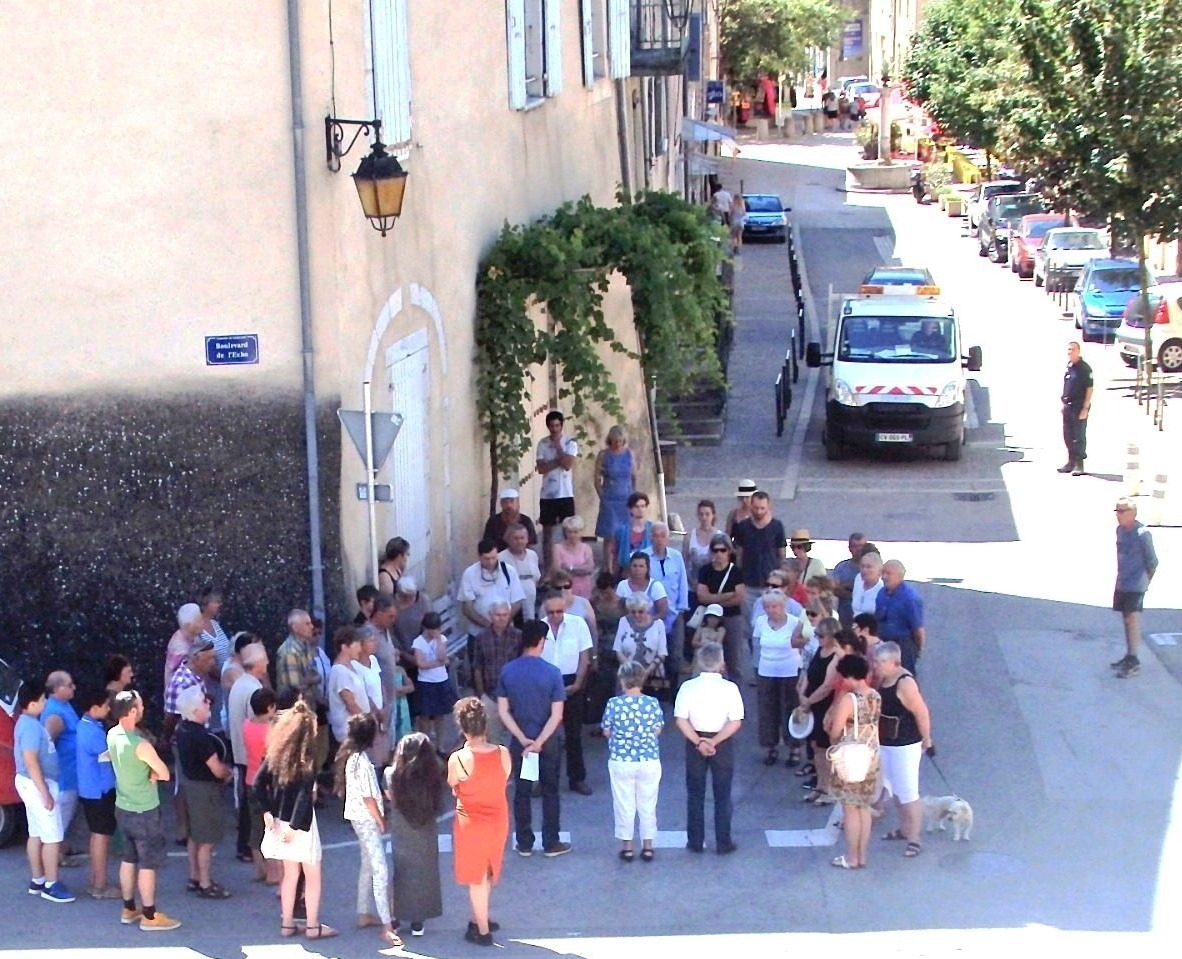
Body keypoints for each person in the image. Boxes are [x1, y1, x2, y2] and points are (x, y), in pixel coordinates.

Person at [255, 700, 335, 940]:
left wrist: (267, 812)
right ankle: (312, 926)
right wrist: (295, 826)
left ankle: (287, 924)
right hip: (300, 825)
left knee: (289, 875)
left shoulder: (276, 755)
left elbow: (258, 784)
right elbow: (304, 797)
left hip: (278, 821)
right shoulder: (306, 759)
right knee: (312, 875)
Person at [107, 689, 181, 930]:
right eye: (139, 706)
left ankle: (128, 909)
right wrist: (152, 772)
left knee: (128, 859)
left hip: (123, 807)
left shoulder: (112, 734)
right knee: (147, 864)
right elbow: (165, 773)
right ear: (132, 711)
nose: (143, 709)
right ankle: (150, 916)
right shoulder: (141, 745)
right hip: (145, 811)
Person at [496, 620, 570, 857]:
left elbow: (503, 710)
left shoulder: (508, 670)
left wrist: (523, 738)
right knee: (550, 790)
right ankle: (551, 841)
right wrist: (539, 741)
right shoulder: (552, 672)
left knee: (523, 791)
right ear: (541, 641)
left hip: (522, 742)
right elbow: (557, 714)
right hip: (547, 742)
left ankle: (525, 842)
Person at [448, 698, 512, 947]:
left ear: (463, 728)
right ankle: (480, 917)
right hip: (498, 818)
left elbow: (453, 784)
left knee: (475, 876)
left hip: (471, 821)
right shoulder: (503, 753)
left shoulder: (458, 759)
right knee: (486, 871)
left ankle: (482, 931)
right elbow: (502, 779)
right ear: (485, 725)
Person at [334, 714, 401, 947]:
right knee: (380, 869)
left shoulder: (352, 757)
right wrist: (381, 821)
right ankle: (386, 925)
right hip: (366, 819)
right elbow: (369, 797)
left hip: (356, 817)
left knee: (367, 866)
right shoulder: (362, 761)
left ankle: (363, 912)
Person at [674, 643, 744, 854]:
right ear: (721, 663)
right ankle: (723, 842)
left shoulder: (688, 687)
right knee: (722, 793)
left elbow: (681, 719)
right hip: (721, 742)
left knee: (695, 793)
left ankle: (695, 841)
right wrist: (714, 741)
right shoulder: (730, 688)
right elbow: (735, 721)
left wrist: (698, 741)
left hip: (695, 740)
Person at [15, 679, 75, 904]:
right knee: (52, 836)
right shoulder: (31, 727)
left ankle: (37, 879)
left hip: (29, 783)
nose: (44, 703)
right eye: (41, 700)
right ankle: (51, 884)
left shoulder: (25, 722)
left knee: (36, 833)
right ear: (31, 704)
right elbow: (31, 760)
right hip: (38, 784)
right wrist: (45, 792)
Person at [874, 642, 933, 858]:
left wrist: (927, 738)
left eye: (880, 662)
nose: (876, 666)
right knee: (896, 790)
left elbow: (921, 712)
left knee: (908, 792)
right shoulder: (884, 678)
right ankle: (903, 828)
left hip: (905, 744)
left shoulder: (905, 683)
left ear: (894, 662)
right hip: (886, 741)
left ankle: (914, 839)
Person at [174, 685, 233, 899]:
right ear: (193, 710)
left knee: (194, 836)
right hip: (205, 790)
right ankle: (206, 883)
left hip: (190, 786)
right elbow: (217, 769)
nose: (207, 703)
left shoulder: (182, 730)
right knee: (207, 839)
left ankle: (194, 877)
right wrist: (229, 773)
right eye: (203, 702)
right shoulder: (201, 737)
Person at [601, 661, 664, 861]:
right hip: (648, 759)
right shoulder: (652, 703)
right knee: (648, 803)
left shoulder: (613, 703)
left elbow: (606, 730)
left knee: (624, 803)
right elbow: (658, 729)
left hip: (621, 760)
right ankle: (648, 846)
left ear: (623, 680)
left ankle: (627, 847)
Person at [384, 732, 444, 937]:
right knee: (424, 871)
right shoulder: (433, 773)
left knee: (401, 871)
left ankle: (395, 917)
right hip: (426, 826)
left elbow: (390, 797)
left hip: (401, 826)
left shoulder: (391, 774)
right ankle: (418, 920)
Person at [825, 655, 881, 869]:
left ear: (848, 675)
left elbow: (836, 730)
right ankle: (862, 855)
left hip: (851, 757)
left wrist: (832, 735)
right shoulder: (875, 695)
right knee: (863, 807)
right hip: (870, 754)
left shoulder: (849, 700)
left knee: (850, 809)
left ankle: (851, 857)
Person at [540, 590, 594, 795]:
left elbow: (584, 657)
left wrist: (578, 683)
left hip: (572, 681)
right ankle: (542, 780)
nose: (555, 616)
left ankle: (577, 778)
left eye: (559, 611)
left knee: (574, 734)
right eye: (551, 612)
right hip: (545, 683)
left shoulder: (578, 624)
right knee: (542, 734)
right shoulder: (539, 628)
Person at [732, 491, 787, 664]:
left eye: (762, 508)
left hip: (770, 587)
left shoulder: (777, 527)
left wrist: (780, 581)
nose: (758, 511)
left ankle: (771, 660)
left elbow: (782, 555)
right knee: (751, 628)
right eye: (755, 508)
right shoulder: (743, 527)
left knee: (772, 624)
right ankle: (756, 663)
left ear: (768, 507)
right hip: (748, 585)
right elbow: (739, 555)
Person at [275, 608, 330, 779]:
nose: (311, 627)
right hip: (296, 712)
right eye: (307, 624)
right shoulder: (289, 652)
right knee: (299, 753)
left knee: (311, 751)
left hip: (310, 708)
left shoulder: (307, 647)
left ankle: (311, 786)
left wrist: (311, 679)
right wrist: (311, 679)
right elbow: (295, 685)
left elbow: (314, 676)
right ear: (295, 627)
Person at [75, 686, 119, 899]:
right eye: (105, 705)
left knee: (96, 836)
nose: (109, 708)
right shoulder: (93, 731)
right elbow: (111, 754)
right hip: (99, 791)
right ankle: (100, 885)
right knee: (102, 837)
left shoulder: (85, 726)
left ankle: (95, 881)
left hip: (90, 789)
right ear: (94, 708)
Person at [227, 641, 268, 864]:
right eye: (265, 660)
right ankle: (250, 848)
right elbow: (257, 722)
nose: (268, 663)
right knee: (253, 807)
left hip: (239, 752)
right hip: (252, 756)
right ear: (258, 664)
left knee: (245, 803)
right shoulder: (254, 689)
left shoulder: (239, 684)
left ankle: (244, 847)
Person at [1111, 497, 1159, 678]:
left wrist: (1145, 582)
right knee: (1125, 619)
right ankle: (1129, 655)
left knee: (1132, 619)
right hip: (1122, 581)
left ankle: (1134, 661)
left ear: (1132, 513)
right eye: (1116, 511)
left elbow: (1153, 561)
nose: (1118, 515)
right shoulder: (1120, 531)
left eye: (1122, 511)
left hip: (1136, 583)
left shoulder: (1143, 534)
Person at [753, 590, 802, 766]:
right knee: (767, 710)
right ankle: (770, 747)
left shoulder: (794, 623)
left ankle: (794, 748)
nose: (770, 610)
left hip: (789, 671)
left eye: (774, 606)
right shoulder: (760, 622)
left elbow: (801, 644)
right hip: (766, 670)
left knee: (789, 709)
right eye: (767, 607)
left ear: (783, 606)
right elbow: (758, 643)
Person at [797, 616, 842, 804]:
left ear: (832, 635)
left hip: (824, 704)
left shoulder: (836, 656)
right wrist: (802, 693)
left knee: (826, 747)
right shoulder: (820, 650)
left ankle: (830, 789)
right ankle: (821, 786)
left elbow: (828, 685)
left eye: (821, 635)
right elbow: (808, 672)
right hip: (811, 703)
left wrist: (809, 700)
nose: (817, 638)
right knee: (816, 746)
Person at [645, 523, 689, 693]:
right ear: (651, 537)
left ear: (668, 537)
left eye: (663, 535)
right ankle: (653, 689)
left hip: (674, 613)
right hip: (652, 615)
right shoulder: (643, 557)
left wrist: (681, 608)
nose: (659, 539)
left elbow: (682, 583)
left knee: (675, 654)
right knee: (652, 653)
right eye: (656, 535)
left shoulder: (676, 557)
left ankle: (673, 689)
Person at [696, 534, 746, 681]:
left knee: (733, 660)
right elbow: (701, 596)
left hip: (732, 618)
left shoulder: (736, 572)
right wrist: (726, 596)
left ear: (729, 551)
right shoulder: (705, 570)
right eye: (715, 550)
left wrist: (714, 603)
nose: (719, 554)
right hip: (709, 621)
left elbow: (739, 598)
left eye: (722, 550)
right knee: (707, 659)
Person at [40, 671, 80, 857]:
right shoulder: (55, 715)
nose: (74, 688)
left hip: (70, 775)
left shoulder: (63, 705)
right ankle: (52, 863)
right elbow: (47, 746)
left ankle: (60, 853)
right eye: (70, 684)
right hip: (64, 778)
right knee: (58, 824)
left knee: (62, 821)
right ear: (57, 688)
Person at [242, 687, 279, 884]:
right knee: (271, 829)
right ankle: (274, 872)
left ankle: (259, 869)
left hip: (250, 779)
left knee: (256, 827)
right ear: (270, 707)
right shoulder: (270, 731)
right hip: (267, 785)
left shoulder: (247, 724)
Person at [459, 539, 526, 644]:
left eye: (493, 558)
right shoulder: (469, 574)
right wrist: (489, 625)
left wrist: (502, 623)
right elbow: (467, 608)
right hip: (478, 634)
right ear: (479, 556)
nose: (490, 562)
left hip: (506, 632)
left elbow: (517, 602)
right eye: (486, 559)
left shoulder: (509, 571)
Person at [536, 410, 579, 561]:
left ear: (561, 426)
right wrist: (558, 460)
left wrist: (558, 448)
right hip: (547, 494)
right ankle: (548, 567)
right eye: (551, 426)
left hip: (566, 494)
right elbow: (541, 468)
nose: (554, 429)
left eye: (557, 426)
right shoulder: (542, 444)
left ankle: (568, 563)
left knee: (569, 531)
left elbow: (567, 465)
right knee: (547, 533)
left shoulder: (570, 442)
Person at [411, 612, 457, 750]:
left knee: (440, 715)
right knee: (424, 716)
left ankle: (440, 745)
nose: (433, 632)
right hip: (426, 681)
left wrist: (438, 641)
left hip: (440, 680)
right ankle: (426, 744)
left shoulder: (441, 639)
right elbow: (421, 664)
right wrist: (438, 663)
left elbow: (442, 657)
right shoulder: (418, 642)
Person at [594, 425, 636, 570]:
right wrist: (602, 496)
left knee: (625, 534)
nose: (617, 444)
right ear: (609, 440)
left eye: (620, 441)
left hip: (626, 499)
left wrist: (634, 497)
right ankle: (609, 568)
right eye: (614, 441)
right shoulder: (603, 455)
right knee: (609, 535)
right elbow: (596, 478)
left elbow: (634, 476)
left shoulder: (629, 454)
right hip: (610, 498)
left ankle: (622, 566)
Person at [875, 560, 925, 674]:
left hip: (903, 645)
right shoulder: (881, 593)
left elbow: (918, 628)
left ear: (900, 576)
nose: (883, 577)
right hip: (884, 642)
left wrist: (918, 648)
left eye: (888, 574)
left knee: (904, 675)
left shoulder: (910, 598)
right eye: (883, 573)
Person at [613, 594, 669, 688]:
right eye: (633, 612)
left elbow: (662, 653)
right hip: (627, 676)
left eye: (640, 612)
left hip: (652, 676)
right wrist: (631, 669)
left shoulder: (658, 624)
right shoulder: (624, 621)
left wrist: (645, 673)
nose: (636, 615)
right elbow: (617, 649)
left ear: (647, 610)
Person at [327, 626, 369, 749]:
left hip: (357, 731)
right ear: (344, 647)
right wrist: (367, 724)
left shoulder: (353, 667)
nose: (360, 649)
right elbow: (350, 703)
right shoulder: (339, 671)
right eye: (356, 645)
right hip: (350, 732)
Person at [1059, 341, 1093, 476]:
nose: (1070, 352)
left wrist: (1085, 407)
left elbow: (1089, 389)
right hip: (1068, 406)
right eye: (1068, 350)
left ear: (1078, 351)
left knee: (1078, 436)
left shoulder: (1085, 369)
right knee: (1067, 435)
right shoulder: (1069, 367)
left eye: (1072, 350)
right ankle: (1070, 462)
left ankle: (1079, 464)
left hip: (1079, 406)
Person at [500, 523, 542, 621]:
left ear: (527, 539)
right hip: (510, 606)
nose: (519, 541)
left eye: (522, 538)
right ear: (508, 539)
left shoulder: (533, 555)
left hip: (531, 604)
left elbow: (536, 578)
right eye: (515, 538)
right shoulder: (501, 558)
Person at [615, 551, 669, 620]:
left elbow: (663, 613)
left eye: (641, 566)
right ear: (630, 567)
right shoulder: (622, 585)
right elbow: (618, 610)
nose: (637, 569)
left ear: (647, 568)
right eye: (635, 566)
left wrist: (646, 623)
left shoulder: (656, 586)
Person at [612, 492, 656, 574]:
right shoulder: (621, 531)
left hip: (649, 573)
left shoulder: (654, 529)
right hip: (626, 573)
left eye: (643, 506)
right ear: (630, 509)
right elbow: (615, 554)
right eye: (636, 506)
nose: (640, 509)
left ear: (647, 508)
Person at [831, 533, 868, 627]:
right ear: (850, 548)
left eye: (862, 546)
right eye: (855, 546)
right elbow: (835, 589)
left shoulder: (872, 568)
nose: (859, 549)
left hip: (866, 618)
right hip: (845, 616)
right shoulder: (841, 567)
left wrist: (848, 587)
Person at [554, 515, 596, 598]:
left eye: (575, 532)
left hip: (584, 588)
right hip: (566, 589)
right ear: (565, 532)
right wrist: (580, 569)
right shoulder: (557, 548)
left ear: (581, 532)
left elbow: (589, 569)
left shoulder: (586, 548)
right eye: (569, 532)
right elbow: (558, 570)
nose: (572, 535)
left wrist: (569, 568)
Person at [164, 603, 204, 690]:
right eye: (199, 621)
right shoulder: (179, 649)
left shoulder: (194, 636)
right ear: (188, 626)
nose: (203, 622)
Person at [682, 499, 722, 586]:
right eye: (701, 514)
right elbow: (684, 562)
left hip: (714, 585)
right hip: (693, 584)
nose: (704, 518)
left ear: (713, 515)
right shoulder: (689, 536)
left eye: (707, 514)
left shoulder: (720, 537)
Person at [852, 549, 885, 617]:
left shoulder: (882, 589)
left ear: (879, 570)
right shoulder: (858, 579)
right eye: (862, 566)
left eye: (869, 567)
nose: (864, 570)